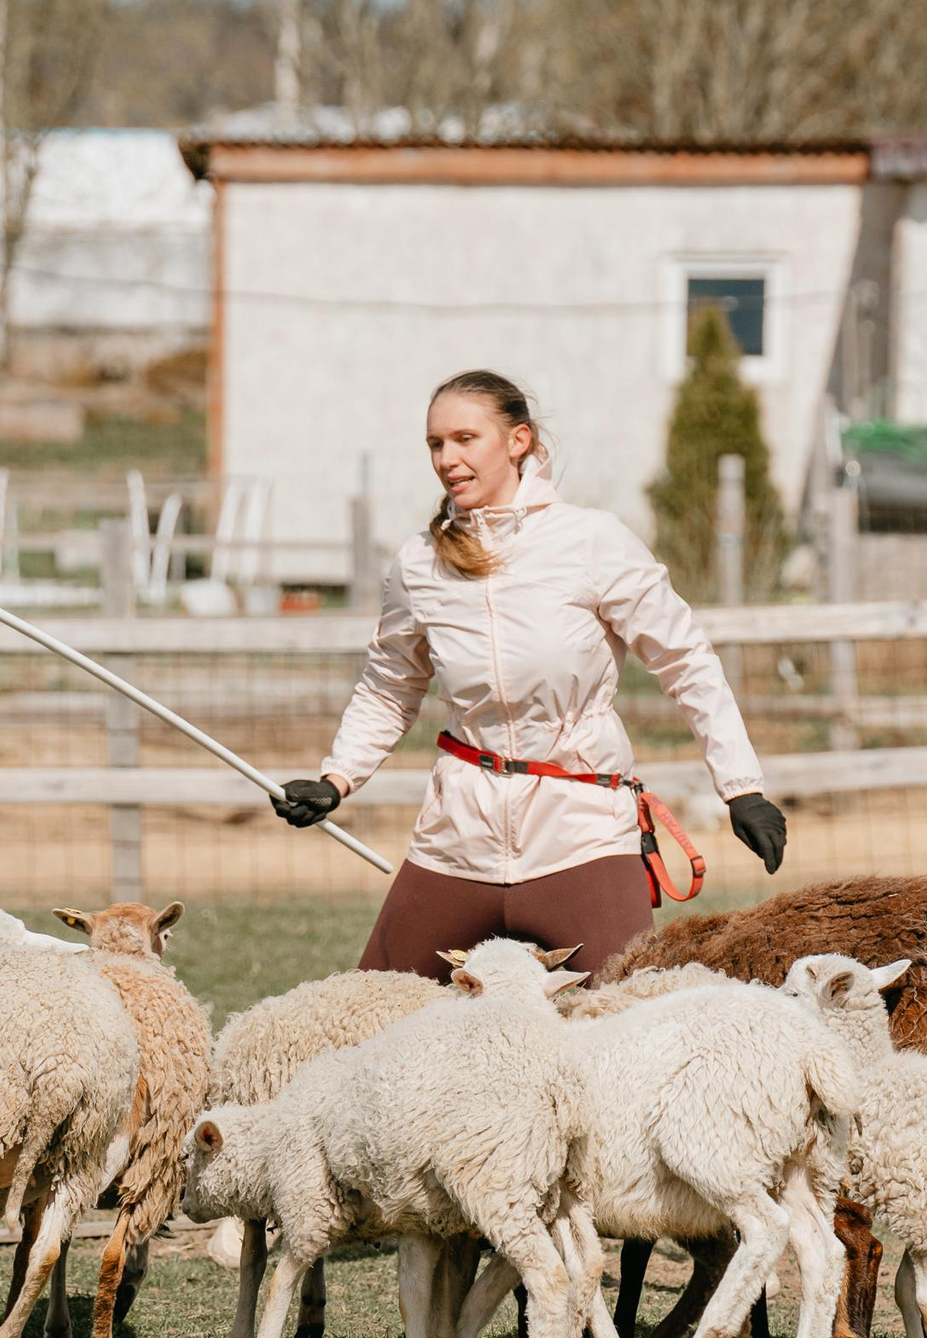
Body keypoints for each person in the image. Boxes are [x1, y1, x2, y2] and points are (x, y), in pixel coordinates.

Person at [276, 369, 788, 979]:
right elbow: (389, 687)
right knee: (370, 1013)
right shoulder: (418, 563)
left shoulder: (593, 540)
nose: (447, 459)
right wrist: (336, 779)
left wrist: (741, 787)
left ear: (518, 441)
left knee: (626, 1017)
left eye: (465, 439)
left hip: (583, 837)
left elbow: (688, 662)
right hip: (456, 839)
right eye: (436, 443)